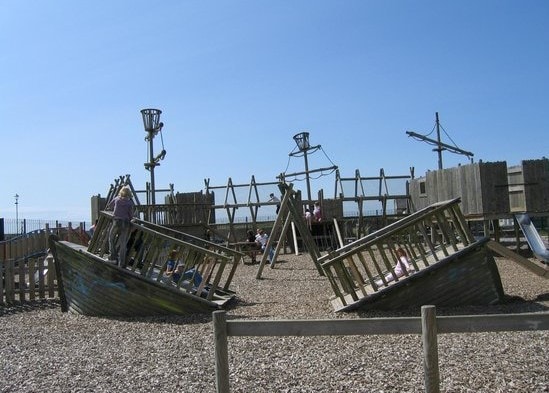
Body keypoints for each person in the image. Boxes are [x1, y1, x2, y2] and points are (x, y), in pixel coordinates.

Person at [106, 186, 135, 267]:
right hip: (125, 223)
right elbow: (131, 215)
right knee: (123, 244)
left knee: (111, 239)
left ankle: (113, 257)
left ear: (121, 192)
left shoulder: (117, 199)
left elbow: (109, 206)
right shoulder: (130, 202)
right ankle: (121, 263)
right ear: (129, 193)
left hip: (117, 221)